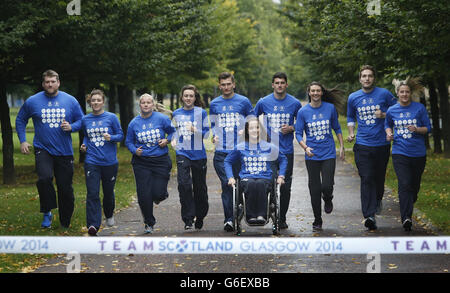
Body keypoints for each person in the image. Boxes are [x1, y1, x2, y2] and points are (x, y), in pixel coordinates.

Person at [15, 70, 84, 229]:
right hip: (42, 149)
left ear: (58, 83)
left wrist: (71, 126)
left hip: (64, 151)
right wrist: (23, 141)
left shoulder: (70, 100)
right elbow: (20, 120)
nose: (50, 84)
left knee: (64, 188)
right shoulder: (33, 101)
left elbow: (82, 120)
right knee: (44, 179)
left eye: (53, 81)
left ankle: (65, 221)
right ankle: (47, 211)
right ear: (43, 84)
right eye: (47, 82)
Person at [346, 65, 397, 231]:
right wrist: (351, 132)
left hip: (381, 144)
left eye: (370, 76)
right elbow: (350, 116)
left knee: (379, 179)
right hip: (362, 145)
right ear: (360, 79)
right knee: (367, 178)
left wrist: (383, 115)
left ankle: (377, 200)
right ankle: (369, 215)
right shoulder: (353, 97)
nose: (367, 78)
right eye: (364, 76)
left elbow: (398, 109)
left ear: (374, 78)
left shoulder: (384, 94)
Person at [254, 72, 302, 229]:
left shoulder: (294, 103)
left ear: (286, 85)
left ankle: (282, 217)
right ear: (272, 85)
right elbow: (252, 120)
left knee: (285, 185)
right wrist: (261, 133)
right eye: (277, 82)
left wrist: (292, 128)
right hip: (268, 150)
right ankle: (270, 208)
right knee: (269, 181)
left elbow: (302, 124)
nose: (280, 85)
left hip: (287, 150)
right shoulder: (263, 102)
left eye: (282, 82)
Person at [295, 82, 345, 232]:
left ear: (322, 93)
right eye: (313, 91)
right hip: (312, 155)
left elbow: (336, 127)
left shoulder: (329, 108)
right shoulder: (303, 112)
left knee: (327, 185)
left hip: (328, 153)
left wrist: (341, 146)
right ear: (309, 93)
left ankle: (328, 198)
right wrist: (305, 147)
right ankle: (317, 219)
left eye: (318, 91)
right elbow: (298, 133)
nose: (315, 93)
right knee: (314, 188)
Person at [209, 72, 255, 232]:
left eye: (229, 84)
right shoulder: (214, 103)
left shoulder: (243, 101)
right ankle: (229, 219)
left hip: (241, 152)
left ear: (233, 84)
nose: (226, 87)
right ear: (219, 85)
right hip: (222, 153)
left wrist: (246, 131)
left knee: (242, 183)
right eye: (223, 84)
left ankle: (240, 207)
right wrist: (214, 135)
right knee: (227, 184)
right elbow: (214, 123)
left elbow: (252, 120)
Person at [125, 94, 175, 234]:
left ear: (152, 105)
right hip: (142, 162)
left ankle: (160, 196)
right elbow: (128, 141)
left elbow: (172, 132)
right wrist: (135, 150)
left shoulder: (162, 119)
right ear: (140, 105)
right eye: (143, 103)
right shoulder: (134, 123)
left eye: (148, 102)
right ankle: (149, 222)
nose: (146, 105)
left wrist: (167, 141)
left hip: (160, 160)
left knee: (158, 193)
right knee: (143, 194)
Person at [385, 79, 431, 232]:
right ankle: (406, 218)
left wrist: (417, 129)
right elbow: (387, 125)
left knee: (414, 186)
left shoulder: (419, 108)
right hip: (400, 153)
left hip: (418, 153)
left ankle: (410, 202)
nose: (404, 94)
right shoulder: (392, 110)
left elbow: (428, 128)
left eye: (407, 92)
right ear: (397, 94)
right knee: (404, 184)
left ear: (410, 94)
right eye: (402, 92)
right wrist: (389, 133)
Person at [225, 118, 287, 224]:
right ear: (247, 131)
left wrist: (281, 176)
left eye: (257, 127)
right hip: (246, 178)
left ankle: (261, 215)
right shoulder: (240, 147)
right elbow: (227, 161)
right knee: (250, 183)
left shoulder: (269, 146)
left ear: (261, 130)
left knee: (260, 183)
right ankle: (251, 216)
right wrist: (230, 177)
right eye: (251, 128)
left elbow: (283, 159)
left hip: (265, 178)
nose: (255, 130)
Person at [79, 89, 124, 236]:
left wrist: (111, 137)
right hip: (92, 160)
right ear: (90, 102)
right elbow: (86, 136)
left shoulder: (111, 118)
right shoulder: (86, 119)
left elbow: (120, 135)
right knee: (92, 192)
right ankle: (93, 225)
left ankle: (109, 213)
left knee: (108, 192)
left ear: (103, 102)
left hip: (109, 162)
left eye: (98, 100)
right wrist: (84, 144)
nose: (96, 102)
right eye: (93, 100)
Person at [171, 85, 210, 230]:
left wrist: (195, 130)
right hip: (183, 153)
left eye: (191, 96)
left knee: (200, 188)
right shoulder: (176, 113)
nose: (188, 98)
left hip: (199, 154)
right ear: (182, 97)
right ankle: (188, 218)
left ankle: (200, 215)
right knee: (184, 185)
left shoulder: (201, 113)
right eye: (186, 95)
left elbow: (206, 134)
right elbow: (173, 130)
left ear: (195, 98)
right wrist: (174, 139)